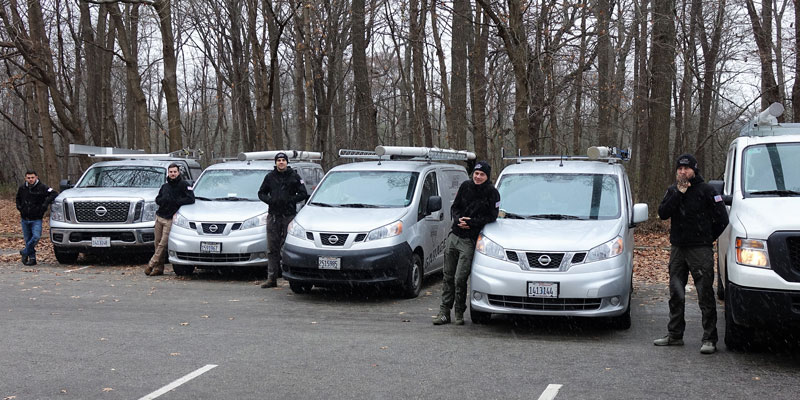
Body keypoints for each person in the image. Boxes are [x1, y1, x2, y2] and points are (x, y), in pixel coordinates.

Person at [655, 153, 729, 354]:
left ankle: (709, 339)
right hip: (678, 249)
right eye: (679, 169)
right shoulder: (673, 190)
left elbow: (722, 219)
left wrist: (707, 238)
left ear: (694, 170)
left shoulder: (707, 191)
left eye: (686, 169)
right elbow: (663, 213)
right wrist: (678, 194)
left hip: (700, 250)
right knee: (676, 293)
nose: (682, 172)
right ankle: (675, 335)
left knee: (705, 294)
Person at [433, 161, 500, 325]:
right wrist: (458, 220)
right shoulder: (465, 186)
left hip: (469, 241)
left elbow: (492, 216)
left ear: (487, 176)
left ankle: (459, 312)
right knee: (448, 276)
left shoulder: (493, 193)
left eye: (482, 174)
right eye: (476, 173)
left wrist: (472, 222)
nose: (478, 177)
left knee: (460, 278)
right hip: (454, 236)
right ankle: (444, 312)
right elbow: (454, 207)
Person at [258, 152, 309, 288]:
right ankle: (272, 278)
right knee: (272, 248)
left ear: (287, 162)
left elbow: (303, 193)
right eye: (279, 160)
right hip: (273, 216)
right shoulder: (270, 177)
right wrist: (271, 200)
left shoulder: (294, 176)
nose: (281, 162)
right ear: (275, 163)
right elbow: (261, 193)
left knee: (288, 247)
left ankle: (290, 277)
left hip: (289, 216)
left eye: (283, 160)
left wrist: (290, 200)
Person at [146, 163, 195, 276]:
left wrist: (176, 202)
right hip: (159, 217)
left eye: (174, 172)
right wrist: (162, 200)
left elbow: (191, 199)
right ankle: (159, 268)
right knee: (157, 243)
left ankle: (151, 263)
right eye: (171, 172)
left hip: (170, 219)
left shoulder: (184, 185)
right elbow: (158, 199)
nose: (172, 174)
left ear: (178, 172)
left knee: (163, 244)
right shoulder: (165, 186)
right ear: (168, 173)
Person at [16, 170, 58, 266]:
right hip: (25, 217)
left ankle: (25, 251)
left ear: (36, 177)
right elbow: (18, 198)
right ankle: (32, 259)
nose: (30, 179)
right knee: (28, 239)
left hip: (36, 218)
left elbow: (54, 193)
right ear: (25, 178)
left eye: (32, 177)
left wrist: (45, 204)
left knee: (36, 237)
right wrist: (19, 207)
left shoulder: (42, 187)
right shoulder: (22, 188)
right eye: (28, 178)